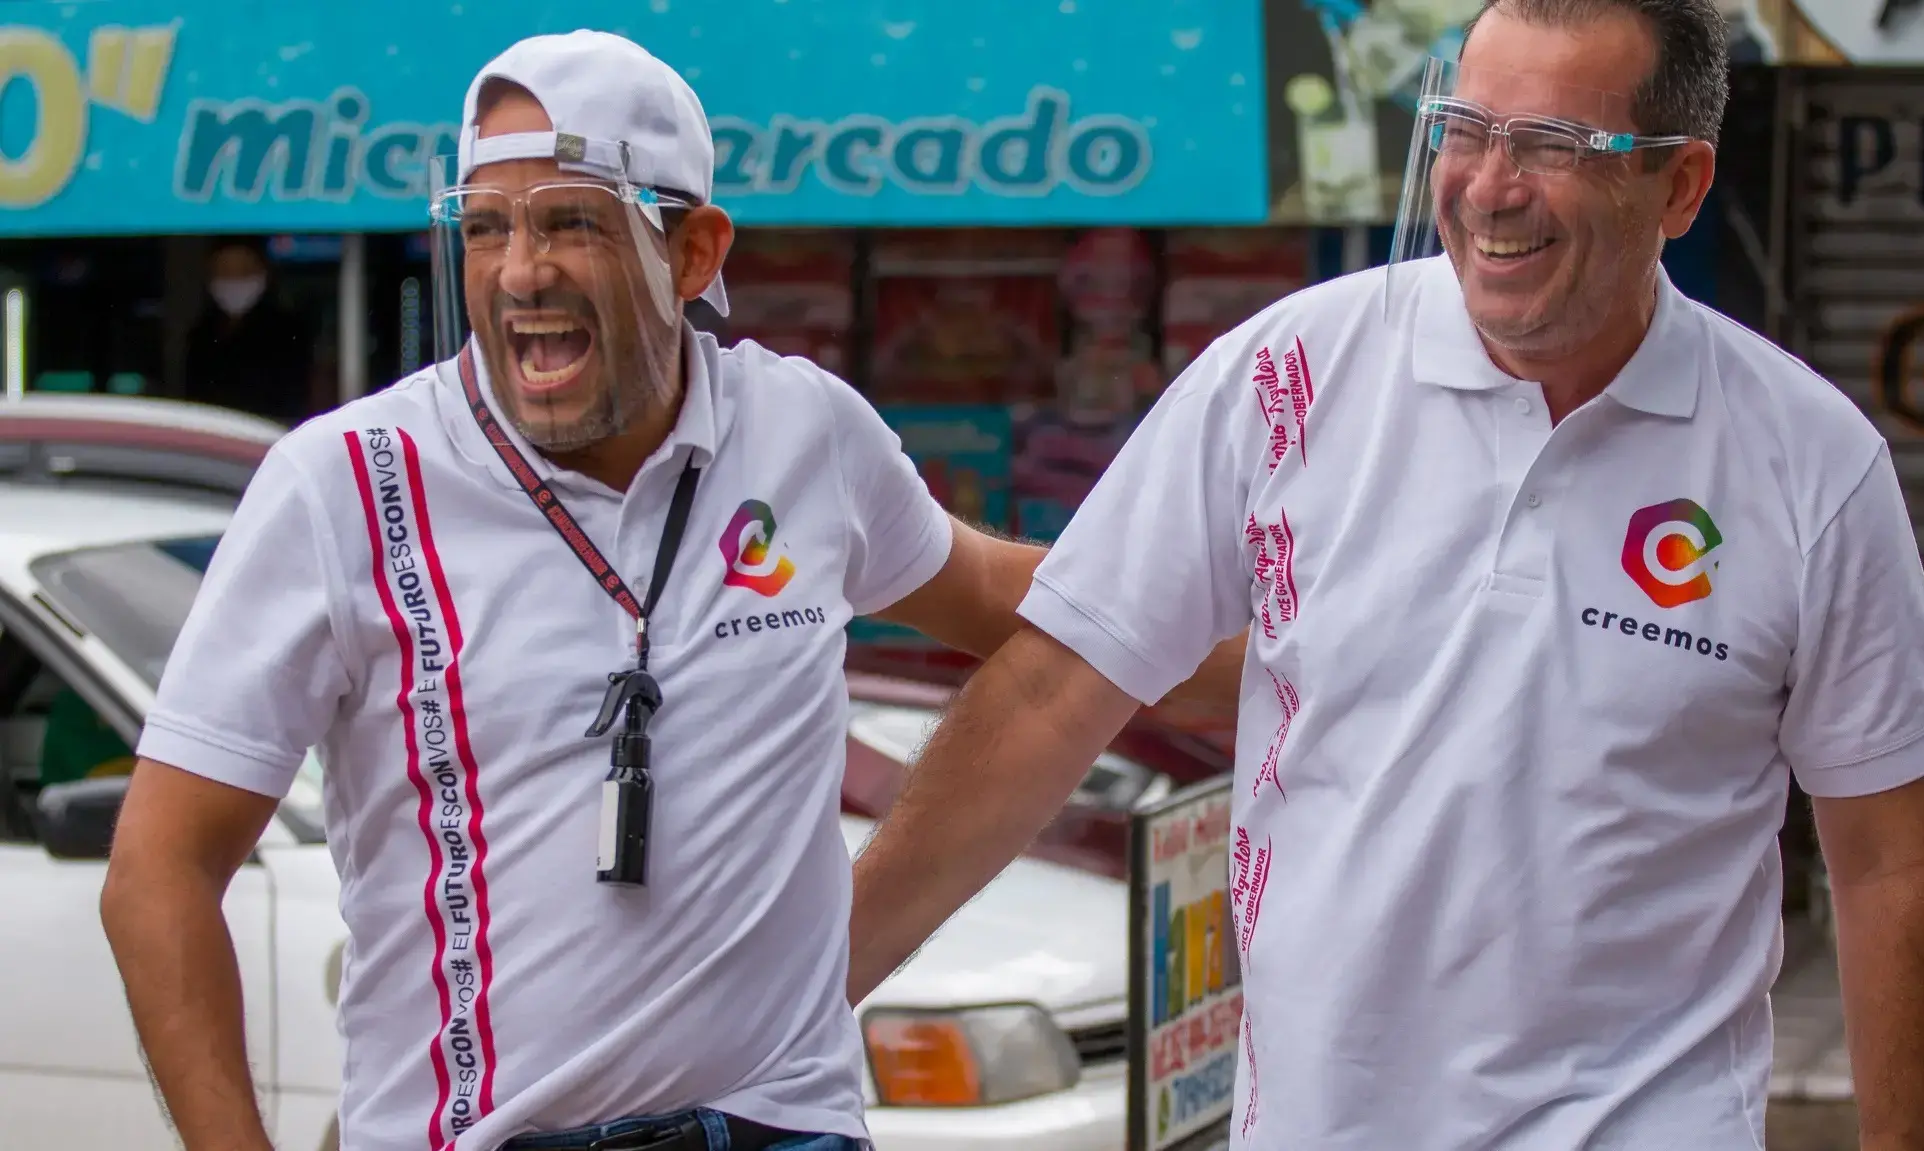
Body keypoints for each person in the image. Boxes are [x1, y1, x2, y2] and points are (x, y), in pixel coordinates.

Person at [846, 0, 1924, 1147]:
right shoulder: (1287, 378)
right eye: (1463, 129)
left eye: (1551, 146)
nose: (1488, 188)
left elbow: (1887, 853)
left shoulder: (1806, 463)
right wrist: (805, 998)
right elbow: (1051, 691)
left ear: (1677, 188)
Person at [99, 30, 1238, 1151]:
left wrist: (1296, 648)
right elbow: (159, 870)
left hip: (783, 1124)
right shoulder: (344, 485)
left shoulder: (800, 430)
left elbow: (1015, 601)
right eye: (484, 227)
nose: (519, 272)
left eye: (570, 222)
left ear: (693, 253)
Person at [182, 238, 317, 426]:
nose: (234, 280)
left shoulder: (287, 334)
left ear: (265, 273)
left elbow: (295, 399)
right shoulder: (201, 336)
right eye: (225, 272)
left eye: (244, 271)